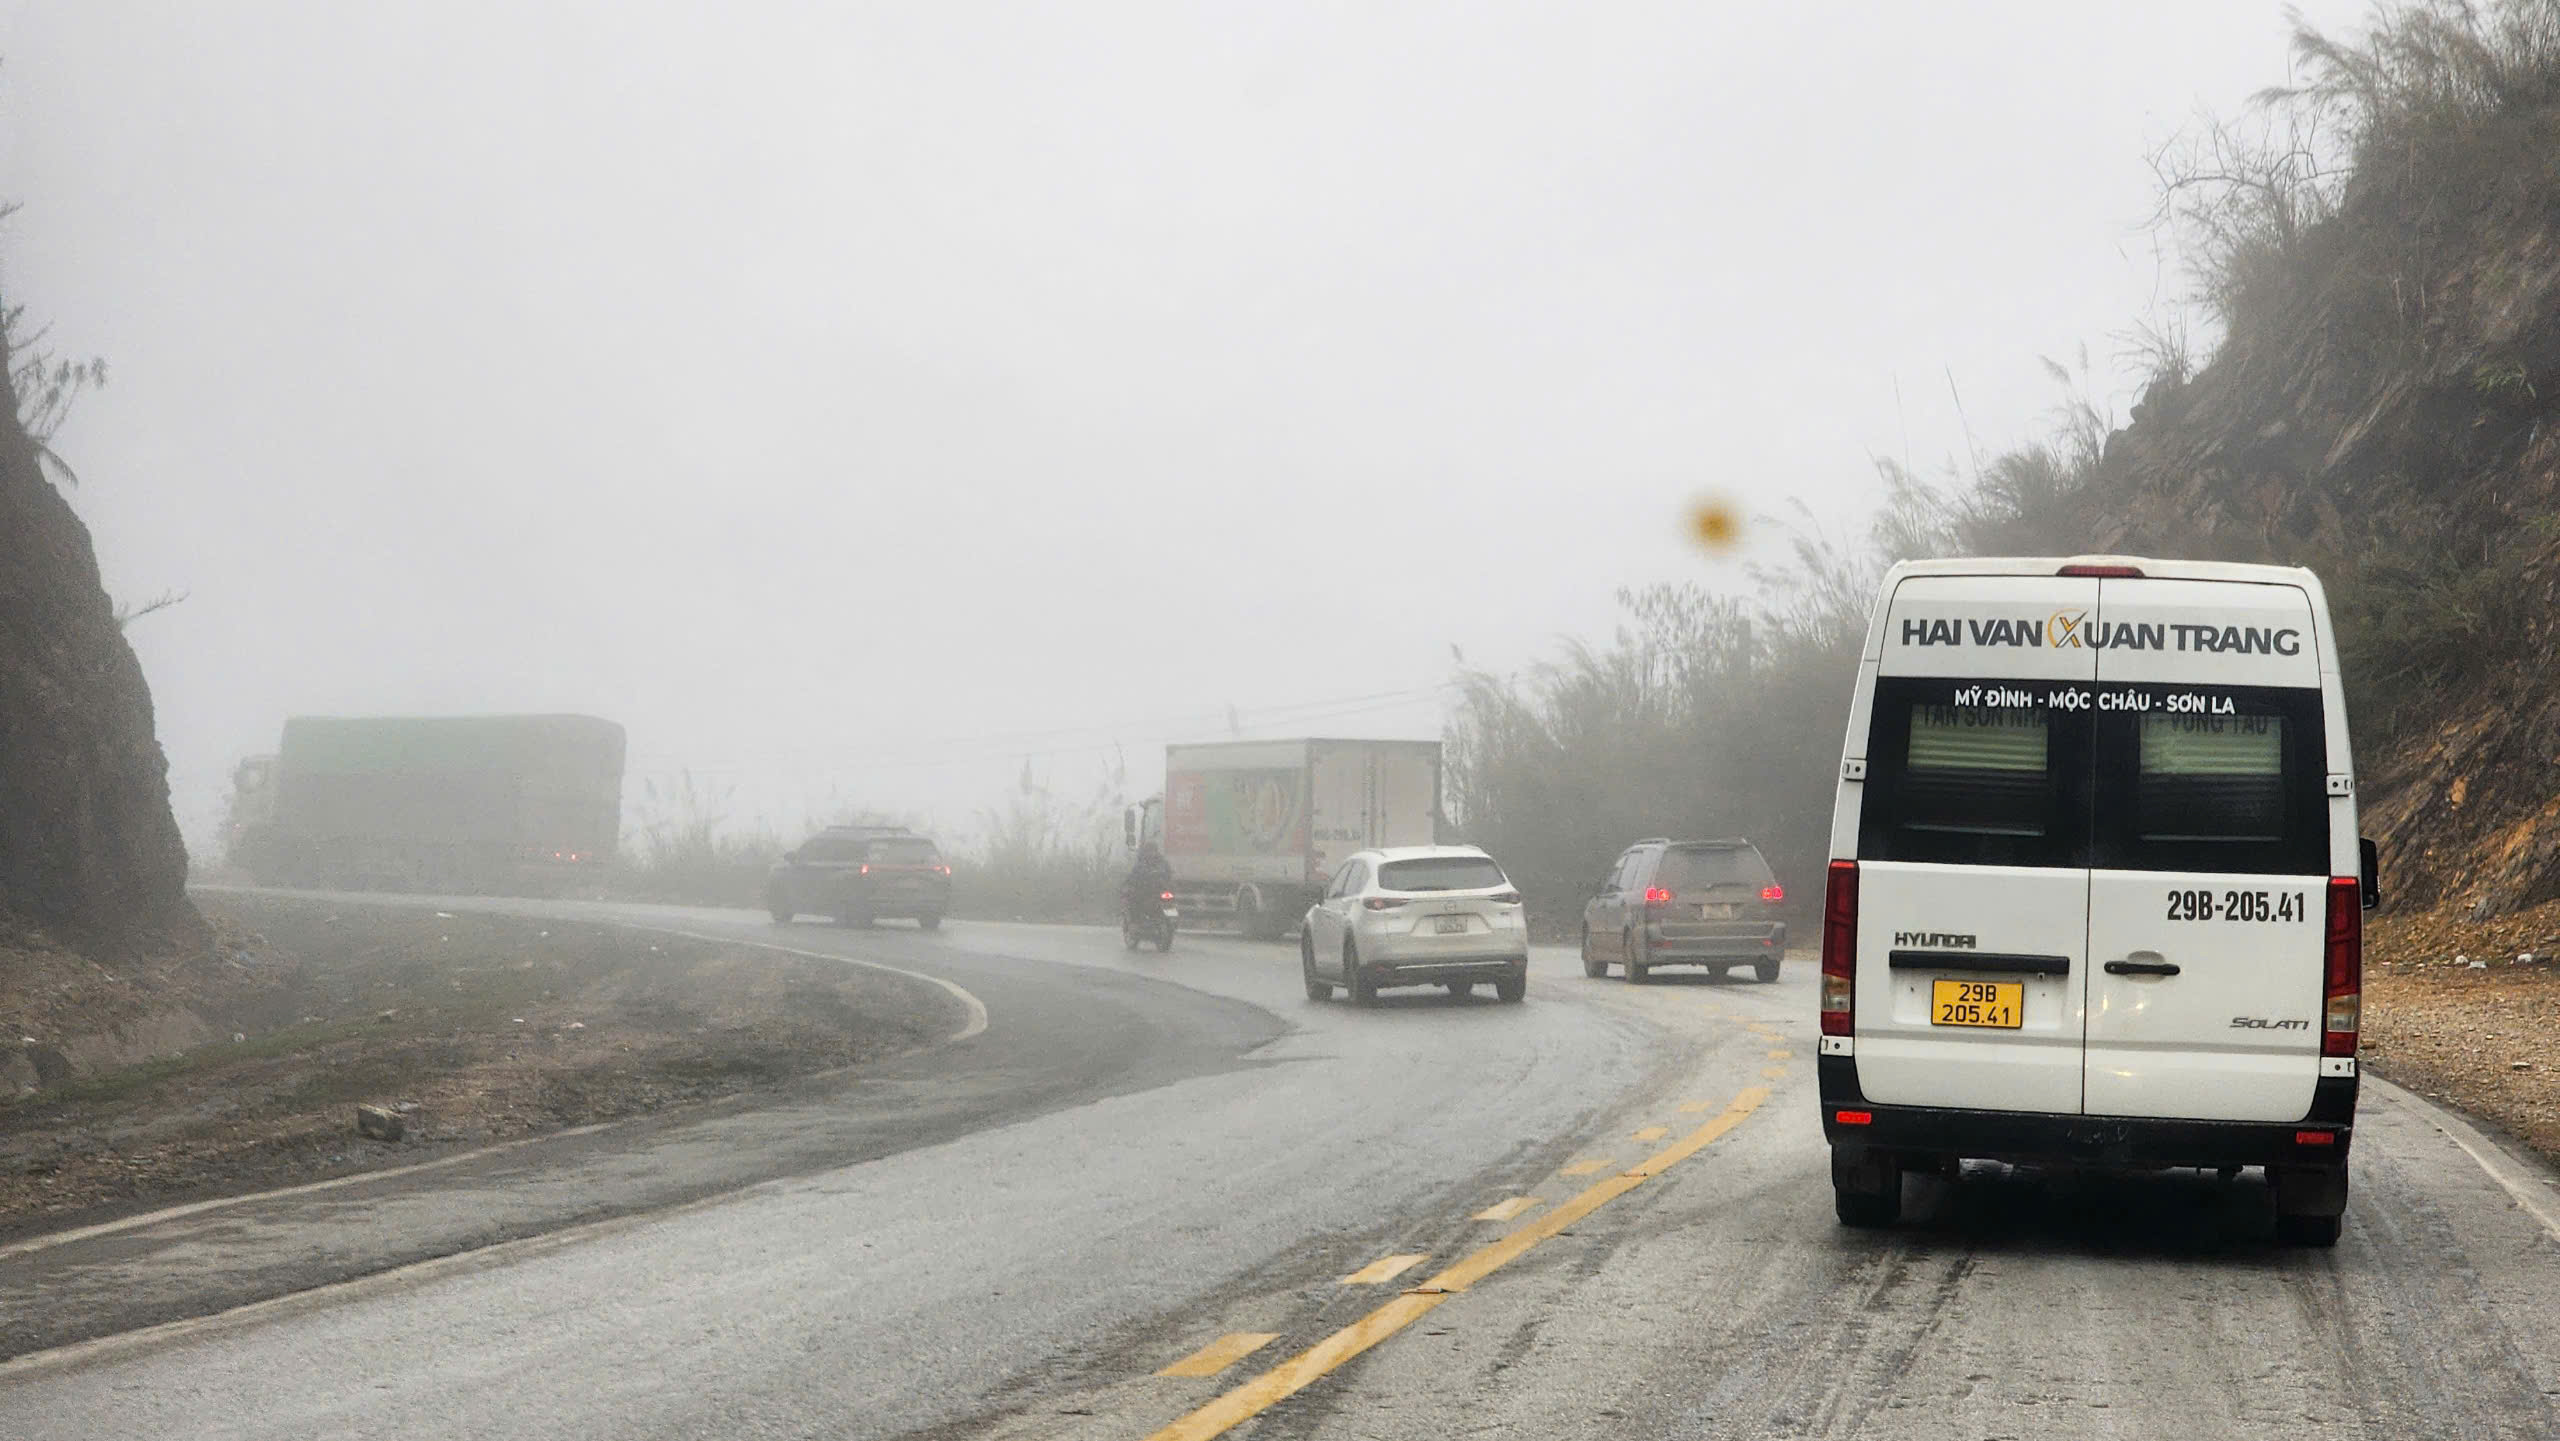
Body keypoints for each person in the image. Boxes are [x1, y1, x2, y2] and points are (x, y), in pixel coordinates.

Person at [1123, 842, 1173, 922]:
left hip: (1159, 893)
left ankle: (1170, 922)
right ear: (1144, 852)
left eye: (1153, 851)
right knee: (1131, 902)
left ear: (1156, 851)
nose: (1151, 853)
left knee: (1169, 903)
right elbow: (1131, 878)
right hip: (1143, 893)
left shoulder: (1162, 863)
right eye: (1148, 851)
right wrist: (1128, 888)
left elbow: (1169, 875)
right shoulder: (1139, 865)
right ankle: (1133, 921)